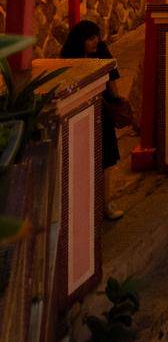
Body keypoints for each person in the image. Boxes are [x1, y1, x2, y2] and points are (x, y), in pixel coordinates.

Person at [59, 20, 127, 220]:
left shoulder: (101, 50)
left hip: (102, 111)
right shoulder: (69, 57)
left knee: (107, 158)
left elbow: (112, 78)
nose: (95, 41)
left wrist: (116, 100)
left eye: (96, 36)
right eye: (90, 38)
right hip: (81, 111)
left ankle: (106, 203)